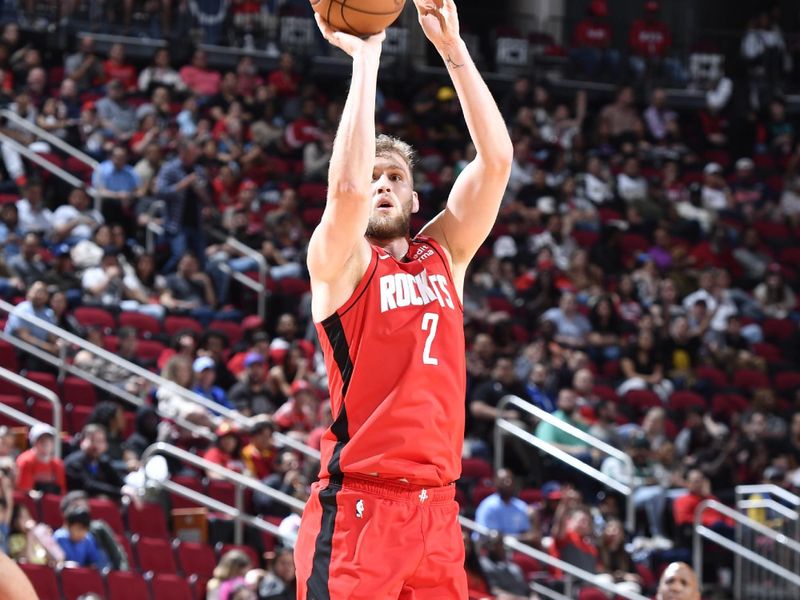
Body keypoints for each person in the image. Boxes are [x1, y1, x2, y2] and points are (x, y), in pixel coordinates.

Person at [294, 0, 513, 596]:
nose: (382, 184)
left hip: (438, 512)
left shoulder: (444, 254)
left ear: (416, 202)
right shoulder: (338, 264)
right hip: (360, 509)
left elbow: (495, 163)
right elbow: (343, 190)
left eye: (396, 178)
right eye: (376, 177)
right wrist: (367, 59)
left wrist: (453, 50)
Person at [53, 505, 110, 569]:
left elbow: (96, 562)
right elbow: (51, 562)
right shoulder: (58, 538)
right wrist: (64, 564)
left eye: (84, 529)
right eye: (78, 528)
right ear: (68, 526)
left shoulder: (88, 540)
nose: (81, 533)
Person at [15, 423, 66, 494]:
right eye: (42, 440)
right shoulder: (25, 461)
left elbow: (61, 492)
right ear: (34, 442)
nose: (46, 443)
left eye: (49, 440)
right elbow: (24, 491)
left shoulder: (58, 464)